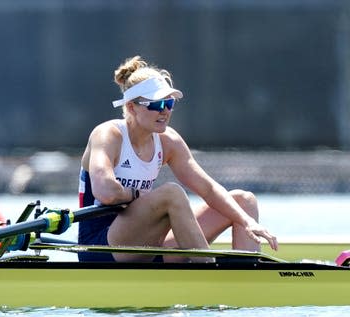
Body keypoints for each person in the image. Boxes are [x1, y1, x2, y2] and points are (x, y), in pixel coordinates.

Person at [78, 55, 278, 262]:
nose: (165, 110)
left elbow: (208, 189)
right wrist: (141, 195)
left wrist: (246, 222)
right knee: (171, 194)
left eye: (169, 102)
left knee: (243, 202)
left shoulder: (168, 141)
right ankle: (207, 269)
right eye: (156, 104)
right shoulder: (108, 135)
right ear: (131, 107)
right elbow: (106, 192)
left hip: (147, 243)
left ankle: (246, 279)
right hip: (99, 246)